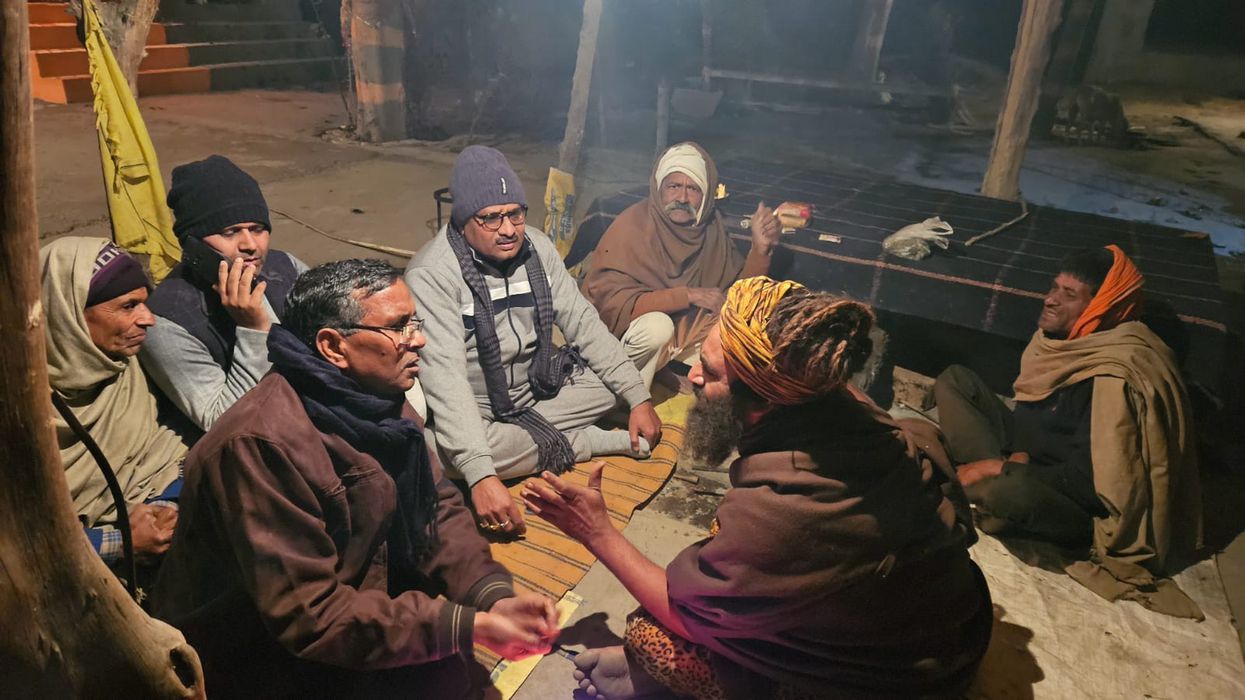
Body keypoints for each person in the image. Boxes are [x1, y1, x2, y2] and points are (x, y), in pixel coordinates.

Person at [524, 277, 993, 699]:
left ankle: (652, 678)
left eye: (709, 370)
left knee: (654, 634)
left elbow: (685, 609)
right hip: (952, 622)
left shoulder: (786, 509)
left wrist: (596, 531)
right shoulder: (837, 399)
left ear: (764, 398)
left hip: (911, 679)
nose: (692, 377)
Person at [151, 260, 558, 698]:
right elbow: (310, 616)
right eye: (398, 326)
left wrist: (491, 595)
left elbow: (435, 505)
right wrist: (462, 626)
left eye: (414, 322)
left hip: (357, 605)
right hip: (264, 651)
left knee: (454, 673)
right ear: (333, 347)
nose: (418, 339)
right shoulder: (259, 444)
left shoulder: (372, 395)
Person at [406, 146, 661, 536]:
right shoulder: (433, 273)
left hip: (540, 384)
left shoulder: (538, 248)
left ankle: (524, 445)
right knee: (453, 457)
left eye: (516, 214)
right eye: (491, 218)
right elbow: (445, 378)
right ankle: (581, 442)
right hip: (478, 405)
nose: (508, 229)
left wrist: (637, 397)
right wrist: (480, 477)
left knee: (612, 387)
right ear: (463, 220)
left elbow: (582, 322)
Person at [933, 245, 1202, 616]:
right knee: (956, 381)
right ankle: (988, 484)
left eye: (1069, 294)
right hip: (1028, 459)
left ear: (1101, 307)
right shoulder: (1061, 343)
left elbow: (1092, 483)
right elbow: (1031, 411)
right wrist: (1015, 455)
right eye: (1054, 287)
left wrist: (1002, 469)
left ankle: (990, 490)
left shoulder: (1114, 377)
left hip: (1075, 503)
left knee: (1009, 489)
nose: (1050, 299)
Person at [580, 142, 781, 389]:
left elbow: (740, 295)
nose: (682, 198)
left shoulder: (709, 228)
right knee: (657, 329)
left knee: (738, 323)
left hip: (681, 334)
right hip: (620, 337)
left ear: (706, 197)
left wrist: (760, 250)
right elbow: (613, 307)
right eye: (673, 186)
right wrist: (687, 295)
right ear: (658, 188)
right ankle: (621, 397)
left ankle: (666, 369)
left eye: (693, 189)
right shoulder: (632, 226)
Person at [41, 237, 187, 570]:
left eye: (144, 303)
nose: (149, 319)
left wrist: (165, 507)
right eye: (128, 306)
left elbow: (171, 444)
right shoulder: (18, 407)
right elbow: (16, 543)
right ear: (70, 315)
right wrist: (119, 543)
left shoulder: (127, 370)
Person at [140, 155, 308, 432]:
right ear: (193, 244)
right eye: (230, 232)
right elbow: (223, 424)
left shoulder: (285, 266)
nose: (250, 245)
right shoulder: (166, 320)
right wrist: (253, 330)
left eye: (258, 229)